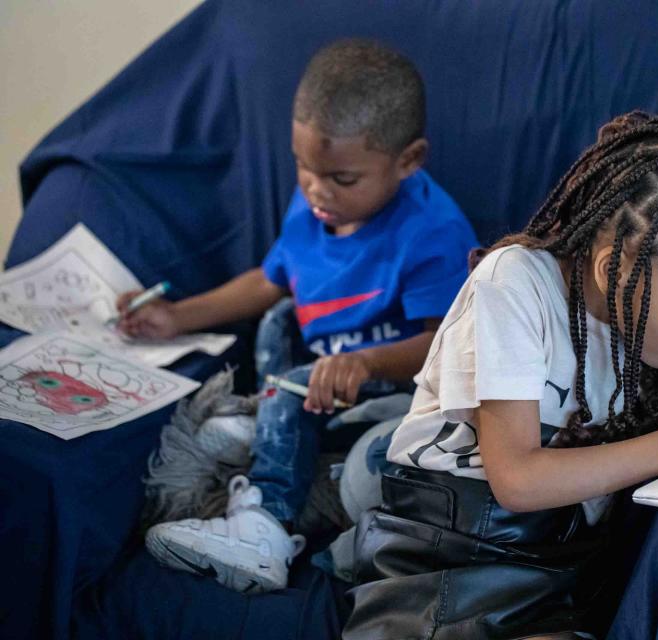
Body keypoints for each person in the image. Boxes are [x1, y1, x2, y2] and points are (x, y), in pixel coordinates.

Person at [342, 111, 658, 639]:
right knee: (358, 472)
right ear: (617, 269)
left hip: (560, 564)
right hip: (454, 554)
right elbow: (516, 480)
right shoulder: (515, 284)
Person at [116, 39, 478, 593]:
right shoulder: (313, 204)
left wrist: (365, 361)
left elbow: (447, 348)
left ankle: (265, 529)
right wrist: (177, 317)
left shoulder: (434, 233)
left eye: (341, 178)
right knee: (274, 337)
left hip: (401, 400)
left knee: (293, 392)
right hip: (319, 388)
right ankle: (269, 429)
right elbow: (269, 281)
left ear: (408, 160)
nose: (315, 189)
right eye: (303, 166)